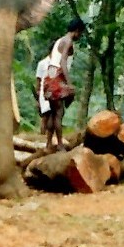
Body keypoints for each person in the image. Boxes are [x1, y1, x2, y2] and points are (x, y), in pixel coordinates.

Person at [37, 18, 85, 149]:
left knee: (53, 112)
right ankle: (59, 144)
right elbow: (63, 62)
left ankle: (48, 143)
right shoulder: (68, 42)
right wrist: (69, 83)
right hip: (56, 77)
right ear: (77, 31)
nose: (79, 36)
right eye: (80, 33)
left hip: (49, 77)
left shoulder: (59, 40)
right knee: (59, 112)